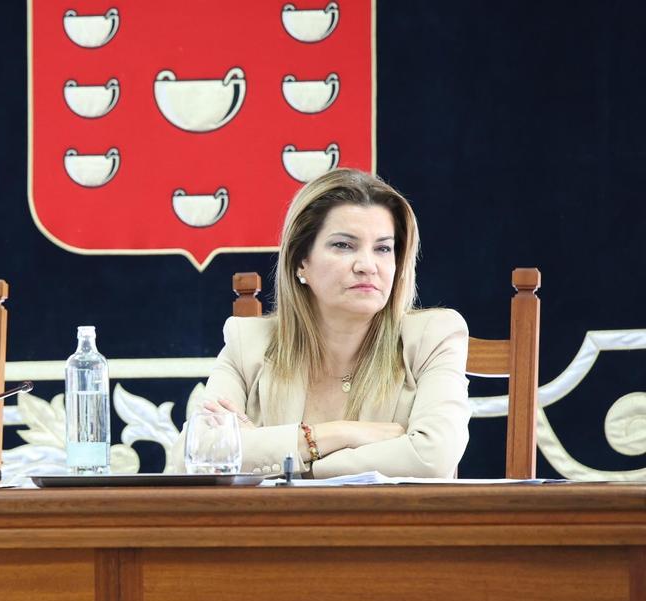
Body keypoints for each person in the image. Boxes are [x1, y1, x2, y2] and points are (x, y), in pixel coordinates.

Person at [174, 168, 469, 478]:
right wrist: (338, 434)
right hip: (276, 527)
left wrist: (291, 464)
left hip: (394, 526)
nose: (367, 266)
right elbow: (192, 457)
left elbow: (431, 458)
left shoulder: (434, 336)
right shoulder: (248, 342)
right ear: (302, 261)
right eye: (344, 245)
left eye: (383, 248)